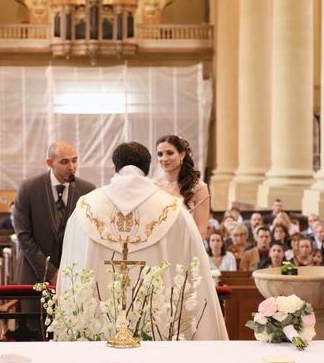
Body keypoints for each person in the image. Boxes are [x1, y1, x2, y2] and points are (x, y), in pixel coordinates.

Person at [58, 142, 228, 340]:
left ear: (114, 168)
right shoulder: (174, 210)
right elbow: (195, 271)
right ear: (147, 170)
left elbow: (71, 265)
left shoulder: (86, 207)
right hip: (160, 333)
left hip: (96, 335)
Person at [14, 140, 95, 286]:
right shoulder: (28, 189)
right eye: (64, 162)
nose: (72, 167)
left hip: (74, 277)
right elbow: (23, 236)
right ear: (50, 163)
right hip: (34, 276)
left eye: (74, 161)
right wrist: (50, 272)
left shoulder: (87, 190)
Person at [155, 135, 210, 240]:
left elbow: (201, 231)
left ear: (182, 154)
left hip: (186, 247)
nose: (164, 158)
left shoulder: (199, 188)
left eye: (170, 153)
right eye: (160, 154)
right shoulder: (153, 186)